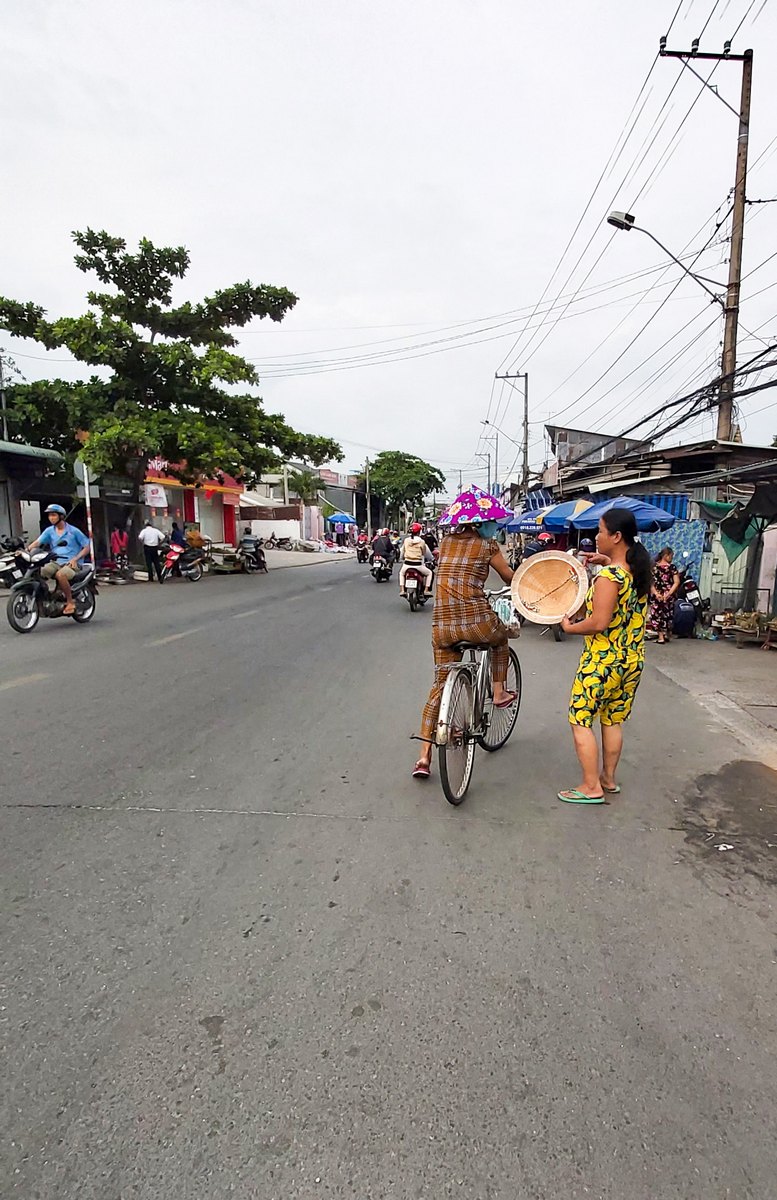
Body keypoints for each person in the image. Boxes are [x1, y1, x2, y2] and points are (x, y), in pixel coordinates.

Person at [412, 488, 516, 780]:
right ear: (482, 523)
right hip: (477, 621)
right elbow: (509, 577)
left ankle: (422, 758)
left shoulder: (445, 542)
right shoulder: (489, 546)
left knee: (439, 685)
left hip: (442, 627)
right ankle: (498, 691)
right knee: (501, 639)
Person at [558, 508, 652, 804]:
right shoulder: (636, 571)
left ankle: (590, 786)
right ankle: (608, 779)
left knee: (580, 718)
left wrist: (570, 628)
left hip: (602, 661)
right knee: (612, 719)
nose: (595, 537)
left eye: (599, 531)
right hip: (631, 660)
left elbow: (598, 622)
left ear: (616, 536)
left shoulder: (610, 577)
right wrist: (606, 560)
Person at [28, 504, 91, 616]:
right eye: (49, 515)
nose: (51, 518)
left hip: (71, 563)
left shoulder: (73, 531)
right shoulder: (49, 531)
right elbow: (38, 542)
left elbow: (87, 547)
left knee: (60, 575)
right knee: (39, 572)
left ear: (61, 516)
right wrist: (26, 551)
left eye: (53, 515)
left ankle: (70, 602)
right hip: (55, 562)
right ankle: (48, 597)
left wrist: (76, 559)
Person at [648, 547, 680, 644]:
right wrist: (669, 593)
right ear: (666, 556)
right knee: (667, 615)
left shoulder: (654, 567)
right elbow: (676, 582)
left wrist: (657, 594)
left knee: (656, 615)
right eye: (671, 556)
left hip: (657, 595)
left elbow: (651, 583)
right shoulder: (672, 568)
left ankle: (661, 637)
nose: (672, 558)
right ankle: (666, 635)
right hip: (668, 596)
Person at [399, 523, 434, 596]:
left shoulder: (406, 540)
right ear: (419, 532)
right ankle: (426, 590)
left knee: (401, 573)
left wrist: (401, 558)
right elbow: (424, 553)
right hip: (418, 565)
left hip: (407, 564)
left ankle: (402, 590)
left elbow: (402, 551)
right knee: (429, 573)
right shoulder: (422, 541)